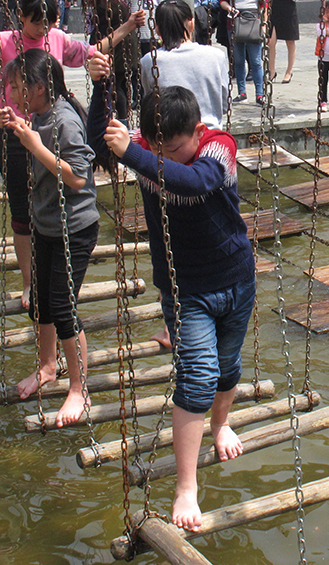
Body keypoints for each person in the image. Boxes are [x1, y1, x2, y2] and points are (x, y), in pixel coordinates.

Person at [87, 81, 255, 532]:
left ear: (197, 132)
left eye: (177, 150)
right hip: (185, 290)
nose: (168, 162)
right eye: (159, 152)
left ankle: (220, 426)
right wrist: (104, 82)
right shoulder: (143, 150)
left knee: (228, 367)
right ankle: (186, 486)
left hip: (236, 278)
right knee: (198, 376)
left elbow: (197, 182)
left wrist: (139, 155)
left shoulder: (218, 146)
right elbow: (96, 147)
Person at [0, 0, 143, 309]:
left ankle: (55, 276)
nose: (42, 30)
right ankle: (30, 283)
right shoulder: (3, 41)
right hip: (16, 135)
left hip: (50, 134)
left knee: (53, 207)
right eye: (36, 23)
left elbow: (92, 52)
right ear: (22, 16)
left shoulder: (57, 39)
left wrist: (127, 26)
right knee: (21, 212)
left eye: (49, 22)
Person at [0, 48, 99, 426]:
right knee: (39, 300)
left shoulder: (64, 121)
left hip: (74, 228)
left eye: (16, 87)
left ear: (39, 88)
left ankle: (79, 387)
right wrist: (19, 127)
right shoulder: (39, 114)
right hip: (46, 224)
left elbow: (78, 176)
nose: (12, 93)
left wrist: (35, 145)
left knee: (62, 306)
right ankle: (46, 366)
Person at [141, 0, 229, 129]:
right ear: (192, 24)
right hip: (209, 134)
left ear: (157, 29)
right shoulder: (217, 56)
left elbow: (150, 101)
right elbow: (225, 105)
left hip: (170, 137)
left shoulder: (150, 60)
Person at [220, 0, 266, 105]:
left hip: (253, 21)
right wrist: (229, 9)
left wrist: (264, 24)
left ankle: (260, 93)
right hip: (234, 22)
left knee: (255, 60)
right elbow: (223, 0)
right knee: (238, 60)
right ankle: (242, 92)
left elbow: (264, 4)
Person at [267, 0, 302, 83]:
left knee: (290, 42)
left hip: (289, 11)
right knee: (271, 42)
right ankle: (271, 71)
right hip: (275, 9)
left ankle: (289, 71)